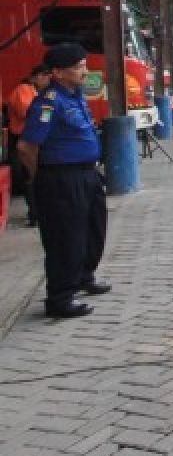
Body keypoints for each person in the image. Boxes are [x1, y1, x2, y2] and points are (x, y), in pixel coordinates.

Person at [17, 44, 111, 318]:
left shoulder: (76, 96)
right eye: (78, 67)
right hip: (62, 178)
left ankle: (84, 276)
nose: (85, 71)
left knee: (94, 229)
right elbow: (26, 147)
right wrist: (39, 176)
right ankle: (60, 298)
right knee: (65, 238)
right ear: (57, 72)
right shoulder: (48, 103)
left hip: (87, 174)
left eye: (84, 64)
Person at [6, 63, 51, 226]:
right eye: (46, 76)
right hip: (23, 139)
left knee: (35, 176)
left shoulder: (41, 93)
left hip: (34, 138)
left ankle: (39, 212)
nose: (48, 79)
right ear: (37, 77)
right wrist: (46, 111)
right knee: (30, 177)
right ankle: (35, 214)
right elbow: (27, 112)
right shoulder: (24, 90)